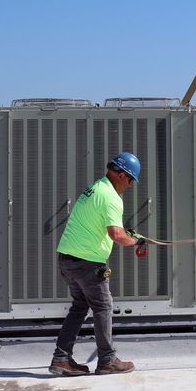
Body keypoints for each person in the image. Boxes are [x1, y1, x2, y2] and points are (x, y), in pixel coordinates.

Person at [48, 152, 146, 377]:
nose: (130, 185)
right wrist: (136, 241)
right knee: (103, 307)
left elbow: (102, 225)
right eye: (131, 180)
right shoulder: (111, 197)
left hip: (67, 259)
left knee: (80, 306)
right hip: (88, 263)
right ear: (122, 175)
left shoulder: (96, 188)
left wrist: (127, 234)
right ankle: (107, 360)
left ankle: (61, 359)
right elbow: (116, 235)